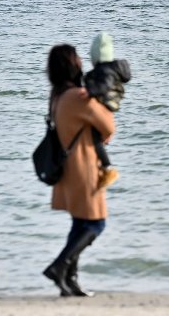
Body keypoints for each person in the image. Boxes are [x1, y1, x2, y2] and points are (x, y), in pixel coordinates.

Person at [43, 44, 115, 297]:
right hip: (84, 166)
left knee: (79, 225)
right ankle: (59, 265)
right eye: (78, 59)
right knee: (97, 224)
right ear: (73, 65)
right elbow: (108, 125)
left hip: (68, 169)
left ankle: (69, 282)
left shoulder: (57, 95)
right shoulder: (77, 96)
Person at [83, 33, 131, 190]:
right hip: (109, 106)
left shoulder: (105, 72)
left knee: (94, 137)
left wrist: (90, 91)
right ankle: (103, 168)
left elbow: (102, 86)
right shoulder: (111, 69)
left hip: (104, 105)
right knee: (97, 139)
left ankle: (108, 168)